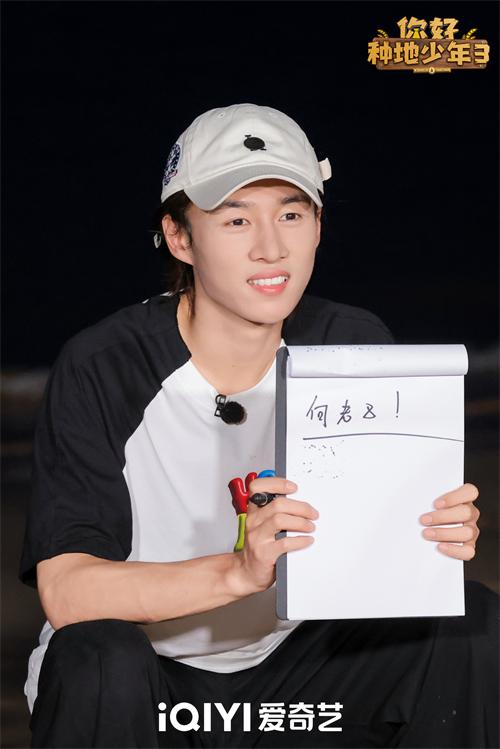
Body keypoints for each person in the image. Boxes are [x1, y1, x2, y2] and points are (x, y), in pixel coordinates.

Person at [20, 103, 497, 748]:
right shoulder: (105, 365)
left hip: (294, 687)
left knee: (472, 622)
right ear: (180, 237)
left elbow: (374, 556)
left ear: (319, 226)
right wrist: (239, 571)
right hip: (153, 685)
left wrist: (426, 536)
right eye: (237, 219)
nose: (271, 247)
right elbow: (67, 593)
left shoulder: (349, 345)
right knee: (96, 657)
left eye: (291, 215)